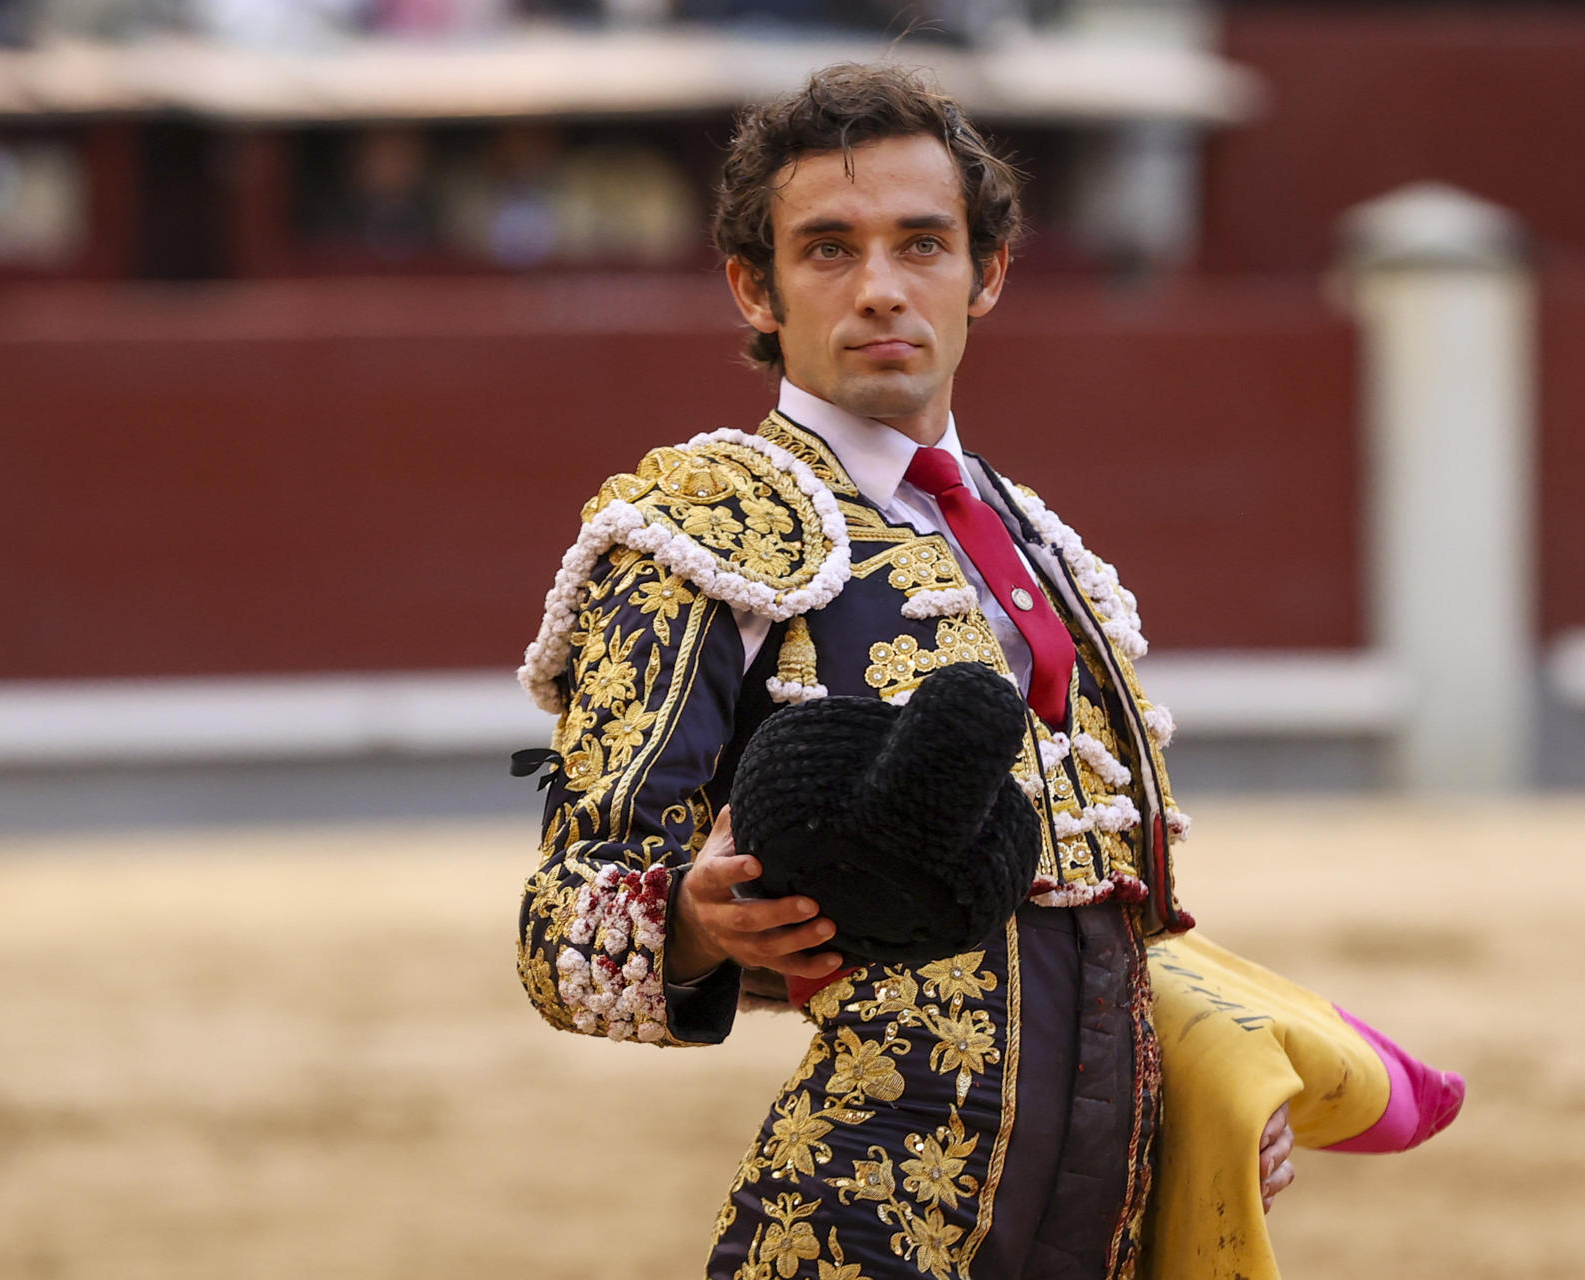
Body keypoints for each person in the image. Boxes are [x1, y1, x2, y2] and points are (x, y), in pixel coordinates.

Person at [513, 62, 1293, 1280]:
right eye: (827, 249)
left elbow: (1099, 916)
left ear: (985, 274)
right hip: (867, 1224)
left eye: (921, 243)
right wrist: (692, 924)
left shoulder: (1038, 541)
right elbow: (561, 920)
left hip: (1107, 1234)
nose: (880, 287)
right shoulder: (702, 527)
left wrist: (1196, 1078)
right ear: (753, 288)